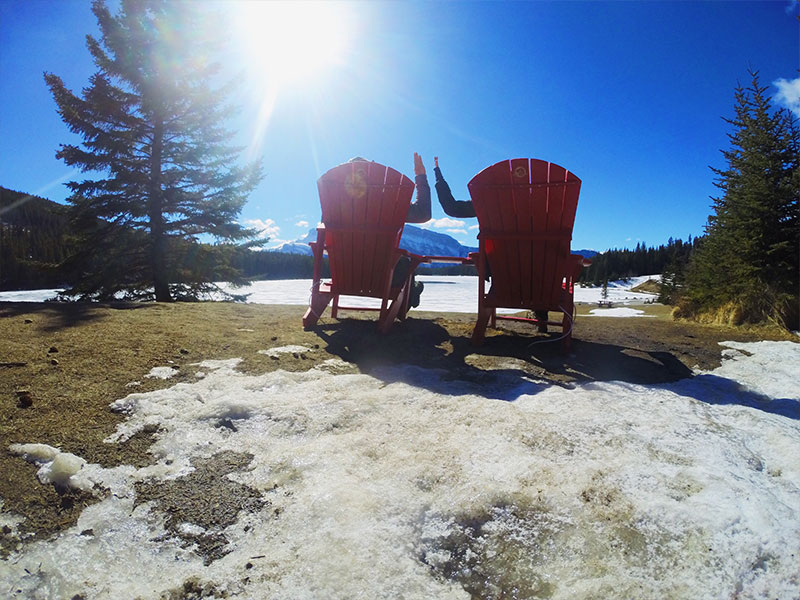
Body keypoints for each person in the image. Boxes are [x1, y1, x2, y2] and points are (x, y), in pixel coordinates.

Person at [431, 156, 549, 331]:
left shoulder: (488, 204)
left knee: (504, 260)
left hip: (501, 277)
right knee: (534, 259)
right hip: (537, 280)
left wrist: (438, 176)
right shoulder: (538, 207)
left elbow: (452, 207)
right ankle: (541, 315)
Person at [347, 154, 430, 307]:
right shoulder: (389, 203)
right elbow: (423, 213)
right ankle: (413, 291)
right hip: (383, 277)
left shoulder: (335, 205)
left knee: (402, 262)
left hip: (346, 274)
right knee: (404, 262)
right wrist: (420, 177)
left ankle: (413, 290)